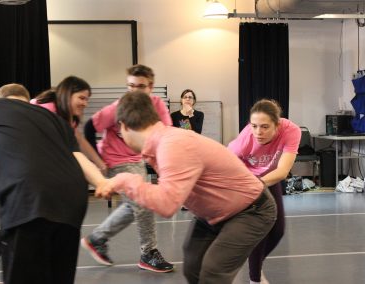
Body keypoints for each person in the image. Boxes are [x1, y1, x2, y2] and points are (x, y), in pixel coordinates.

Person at [95, 91, 277, 284]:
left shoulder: (171, 145)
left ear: (123, 126)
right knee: (193, 266)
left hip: (251, 211)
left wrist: (124, 180)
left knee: (213, 272)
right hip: (214, 213)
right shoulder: (161, 143)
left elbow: (166, 204)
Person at [0, 83, 107, 284]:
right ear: (26, 99)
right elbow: (78, 158)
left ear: (0, 99)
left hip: (28, 196)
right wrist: (101, 182)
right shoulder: (54, 119)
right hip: (72, 203)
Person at [81, 64, 174, 273]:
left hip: (138, 158)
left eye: (140, 86)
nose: (134, 91)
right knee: (143, 201)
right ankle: (148, 253)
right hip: (116, 160)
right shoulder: (118, 107)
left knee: (134, 206)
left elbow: (166, 133)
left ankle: (96, 239)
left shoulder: (157, 105)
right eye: (130, 86)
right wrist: (97, 162)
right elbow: (89, 127)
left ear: (150, 87)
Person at [227, 99, 301, 284]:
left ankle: (252, 261)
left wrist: (258, 183)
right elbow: (225, 165)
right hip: (244, 177)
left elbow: (282, 172)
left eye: (265, 127)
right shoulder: (244, 140)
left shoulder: (291, 131)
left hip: (270, 176)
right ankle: (255, 278)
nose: (258, 132)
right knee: (260, 228)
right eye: (254, 126)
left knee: (278, 230)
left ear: (277, 124)